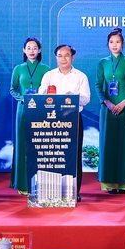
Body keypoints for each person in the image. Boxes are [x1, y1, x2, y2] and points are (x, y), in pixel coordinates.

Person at [38, 44, 90, 202]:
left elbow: (86, 99)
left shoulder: (81, 76)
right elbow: (41, 93)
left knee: (73, 156)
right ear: (56, 57)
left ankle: (74, 191)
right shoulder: (49, 75)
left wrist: (73, 97)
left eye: (67, 55)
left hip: (73, 119)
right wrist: (46, 93)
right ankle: (51, 188)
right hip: (52, 120)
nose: (63, 58)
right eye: (60, 55)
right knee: (53, 154)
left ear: (72, 57)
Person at [95, 28, 125, 194]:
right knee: (108, 145)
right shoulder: (103, 63)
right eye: (111, 42)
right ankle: (109, 183)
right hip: (107, 110)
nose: (114, 45)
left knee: (124, 145)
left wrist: (123, 102)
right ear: (107, 44)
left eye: (118, 42)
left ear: (123, 44)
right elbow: (98, 86)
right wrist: (108, 103)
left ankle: (124, 183)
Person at [9, 37, 50, 195]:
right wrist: (23, 99)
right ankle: (23, 184)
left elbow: (50, 89)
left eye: (35, 48)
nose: (32, 51)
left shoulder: (46, 69)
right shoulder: (18, 68)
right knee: (22, 145)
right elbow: (12, 89)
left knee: (40, 146)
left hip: (41, 110)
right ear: (24, 50)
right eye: (29, 48)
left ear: (39, 50)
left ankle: (40, 182)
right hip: (23, 109)